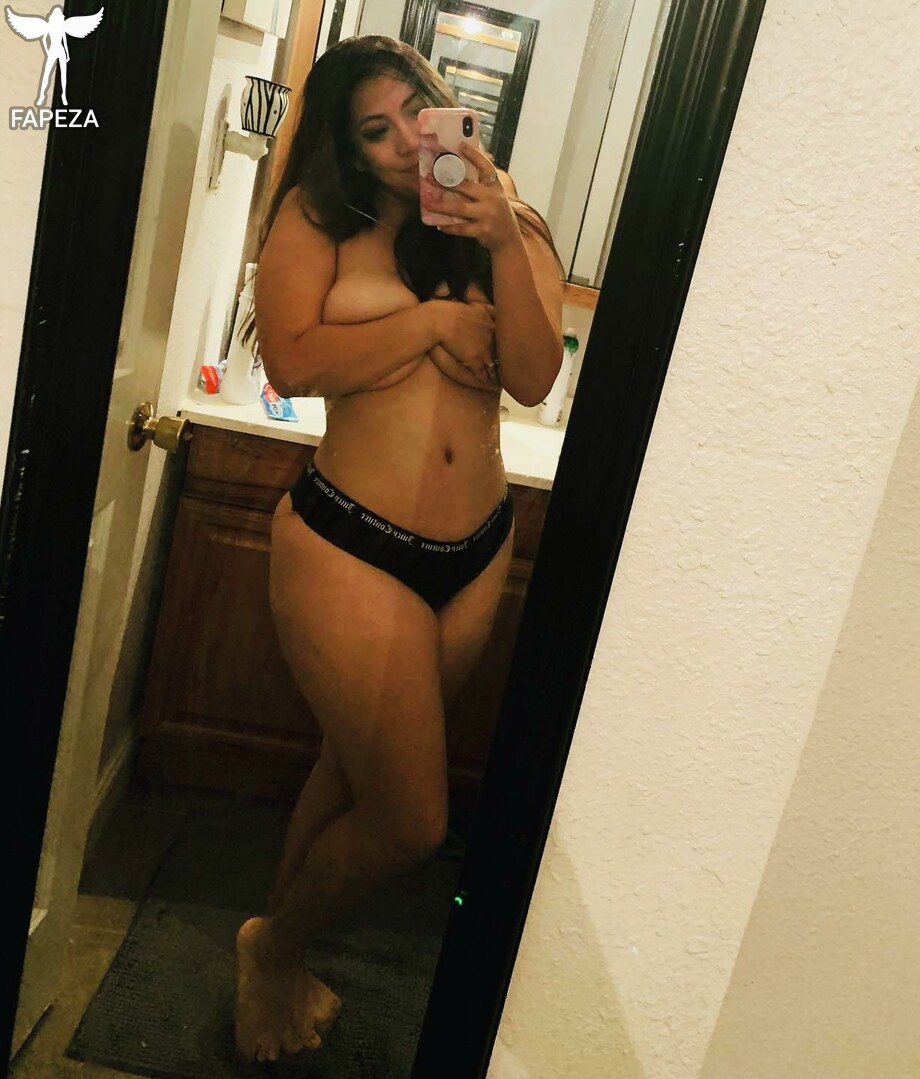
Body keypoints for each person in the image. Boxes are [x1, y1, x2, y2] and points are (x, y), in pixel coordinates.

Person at [231, 35, 564, 1064]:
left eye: (414, 110)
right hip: (351, 540)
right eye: (373, 130)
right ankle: (270, 946)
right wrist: (424, 326)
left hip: (476, 551)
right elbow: (292, 361)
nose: (403, 140)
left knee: (355, 770)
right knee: (414, 817)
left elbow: (533, 377)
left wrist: (501, 235)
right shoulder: (319, 217)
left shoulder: (511, 223)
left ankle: (280, 954)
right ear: (347, 146)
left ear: (441, 100)